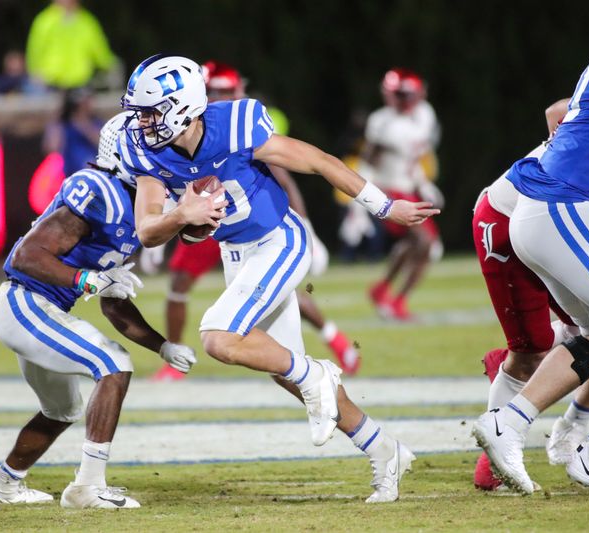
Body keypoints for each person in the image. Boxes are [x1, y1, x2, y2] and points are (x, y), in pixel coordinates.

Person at [119, 54, 438, 502]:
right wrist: (181, 215)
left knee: (218, 337)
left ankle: (318, 374)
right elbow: (147, 230)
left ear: (181, 105)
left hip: (279, 241)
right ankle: (386, 451)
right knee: (283, 370)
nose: (142, 123)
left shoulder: (235, 124)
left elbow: (320, 161)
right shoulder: (145, 150)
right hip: (237, 254)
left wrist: (386, 206)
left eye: (150, 111)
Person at [0, 113, 197, 509]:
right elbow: (26, 256)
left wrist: (162, 347)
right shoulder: (98, 189)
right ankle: (87, 488)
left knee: (62, 409)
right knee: (113, 364)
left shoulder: (136, 209)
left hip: (39, 308)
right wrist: (88, 281)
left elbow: (113, 305)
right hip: (24, 303)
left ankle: (1, 485)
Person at [150, 60, 361, 381]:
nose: (221, 97)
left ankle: (332, 337)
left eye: (227, 90)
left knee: (273, 294)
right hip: (202, 222)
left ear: (239, 90)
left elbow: (283, 177)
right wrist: (163, 221)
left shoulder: (243, 121)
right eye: (214, 91)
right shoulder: (179, 127)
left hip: (250, 222)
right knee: (178, 284)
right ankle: (174, 358)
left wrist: (308, 228)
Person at [472, 43, 589, 495]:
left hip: (557, 209)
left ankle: (518, 425)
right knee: (534, 345)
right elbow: (558, 112)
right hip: (555, 207)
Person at [363, 69, 443, 321]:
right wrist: (361, 198)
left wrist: (421, 181)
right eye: (400, 95)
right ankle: (397, 301)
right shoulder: (382, 121)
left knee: (416, 245)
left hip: (408, 187)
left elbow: (414, 156)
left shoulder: (424, 114)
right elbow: (369, 159)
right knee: (425, 242)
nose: (404, 100)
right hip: (387, 190)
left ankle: (383, 289)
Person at [25, 0, 116, 90]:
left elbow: (100, 50)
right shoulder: (44, 21)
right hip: (50, 80)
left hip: (80, 80)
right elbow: (35, 50)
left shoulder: (87, 22)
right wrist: (34, 72)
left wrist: (111, 66)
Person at [43, 88, 104, 177]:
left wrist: (83, 123)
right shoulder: (63, 124)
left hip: (93, 171)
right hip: (68, 173)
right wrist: (60, 118)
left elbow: (102, 144)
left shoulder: (96, 122)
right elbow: (52, 149)